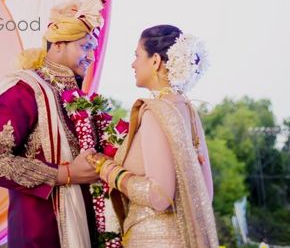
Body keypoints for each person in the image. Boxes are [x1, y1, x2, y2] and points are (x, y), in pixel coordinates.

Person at [0, 0, 106, 248]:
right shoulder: (23, 88)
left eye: (93, 48)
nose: (91, 57)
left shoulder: (80, 99)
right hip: (40, 233)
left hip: (86, 229)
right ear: (58, 45)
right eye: (85, 46)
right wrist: (66, 173)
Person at [87, 24, 219, 247]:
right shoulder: (187, 109)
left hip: (154, 239)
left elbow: (160, 195)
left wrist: (108, 170)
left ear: (155, 61)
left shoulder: (156, 111)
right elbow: (205, 195)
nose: (133, 64)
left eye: (137, 55)